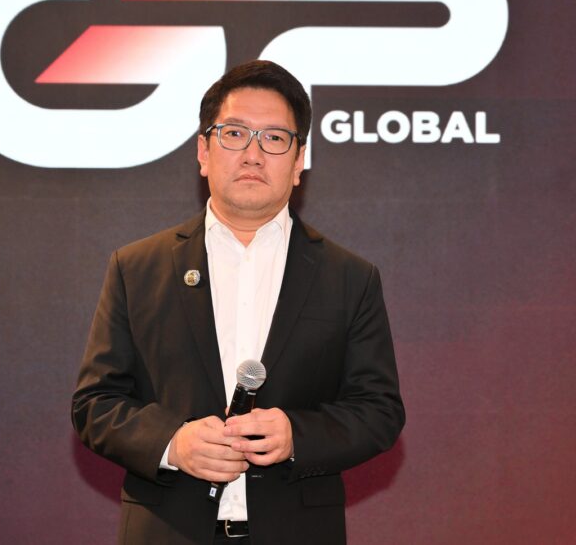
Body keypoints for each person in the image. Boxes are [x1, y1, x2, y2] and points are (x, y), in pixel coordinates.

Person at [72, 60, 405, 544]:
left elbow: (379, 411)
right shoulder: (137, 268)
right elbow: (95, 404)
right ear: (203, 152)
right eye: (234, 134)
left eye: (274, 138)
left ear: (299, 161)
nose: (253, 154)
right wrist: (173, 443)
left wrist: (297, 435)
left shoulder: (349, 277)